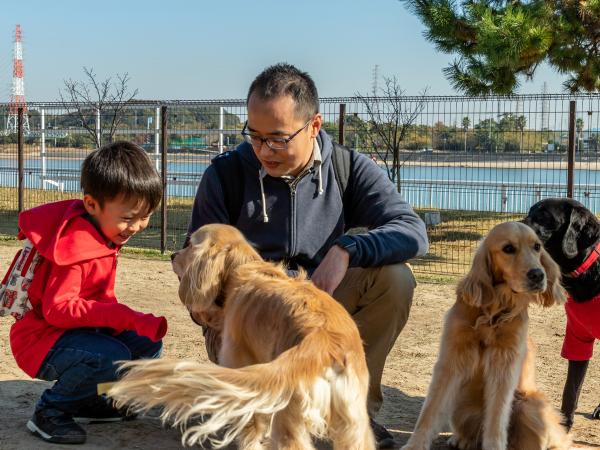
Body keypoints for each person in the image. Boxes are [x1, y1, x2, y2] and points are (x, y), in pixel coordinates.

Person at [186, 63, 428, 448]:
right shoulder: (225, 175)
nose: (264, 150)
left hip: (319, 306)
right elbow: (195, 271)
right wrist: (224, 307)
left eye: (279, 139)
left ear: (314, 125)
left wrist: (348, 248)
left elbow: (413, 232)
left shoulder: (349, 168)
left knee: (394, 278)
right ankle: (257, 404)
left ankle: (352, 409)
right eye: (255, 136)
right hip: (248, 326)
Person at [9, 142, 168, 445]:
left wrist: (129, 322)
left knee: (147, 343)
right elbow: (59, 309)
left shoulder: (103, 236)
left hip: (78, 334)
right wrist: (122, 316)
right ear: (92, 204)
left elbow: (99, 300)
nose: (136, 227)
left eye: (145, 216)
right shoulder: (75, 248)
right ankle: (50, 411)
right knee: (110, 356)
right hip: (42, 341)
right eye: (128, 217)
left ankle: (96, 401)